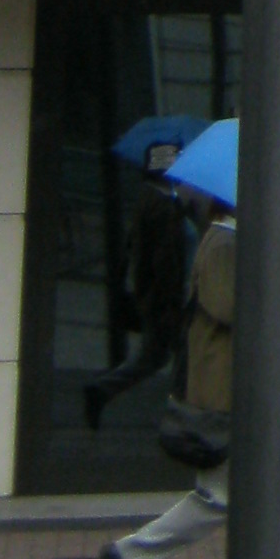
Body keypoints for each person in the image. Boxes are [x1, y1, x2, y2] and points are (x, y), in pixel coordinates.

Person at [100, 205, 280, 559]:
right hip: (237, 396)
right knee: (221, 496)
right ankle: (127, 556)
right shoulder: (222, 242)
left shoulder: (254, 240)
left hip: (271, 390)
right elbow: (229, 307)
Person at [83, 141, 190, 428]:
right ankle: (185, 412)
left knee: (156, 356)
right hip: (162, 299)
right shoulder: (164, 206)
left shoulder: (150, 200)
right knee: (180, 356)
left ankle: (102, 390)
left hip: (152, 296)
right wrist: (172, 300)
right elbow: (165, 260)